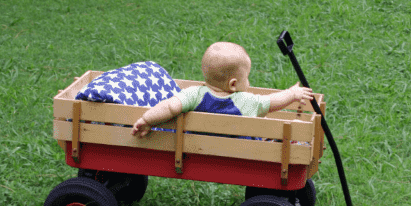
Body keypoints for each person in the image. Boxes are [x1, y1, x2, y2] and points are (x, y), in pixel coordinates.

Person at [132, 42, 313, 137]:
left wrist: (147, 119)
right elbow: (273, 102)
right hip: (244, 153)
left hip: (199, 148)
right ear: (233, 84)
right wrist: (292, 93)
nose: (248, 82)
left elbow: (169, 107)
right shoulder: (246, 101)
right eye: (246, 77)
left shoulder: (194, 94)